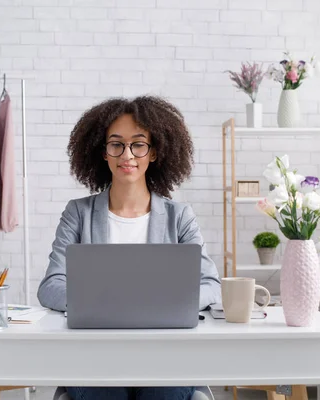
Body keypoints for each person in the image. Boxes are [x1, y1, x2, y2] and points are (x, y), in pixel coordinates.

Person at [37, 95, 222, 400]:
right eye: (116, 144)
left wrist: (163, 303)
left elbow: (211, 285)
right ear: (103, 153)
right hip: (95, 358)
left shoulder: (180, 217)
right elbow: (51, 286)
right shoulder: (78, 213)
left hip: (165, 357)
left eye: (138, 144)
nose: (127, 155)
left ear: (155, 153)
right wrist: (101, 306)